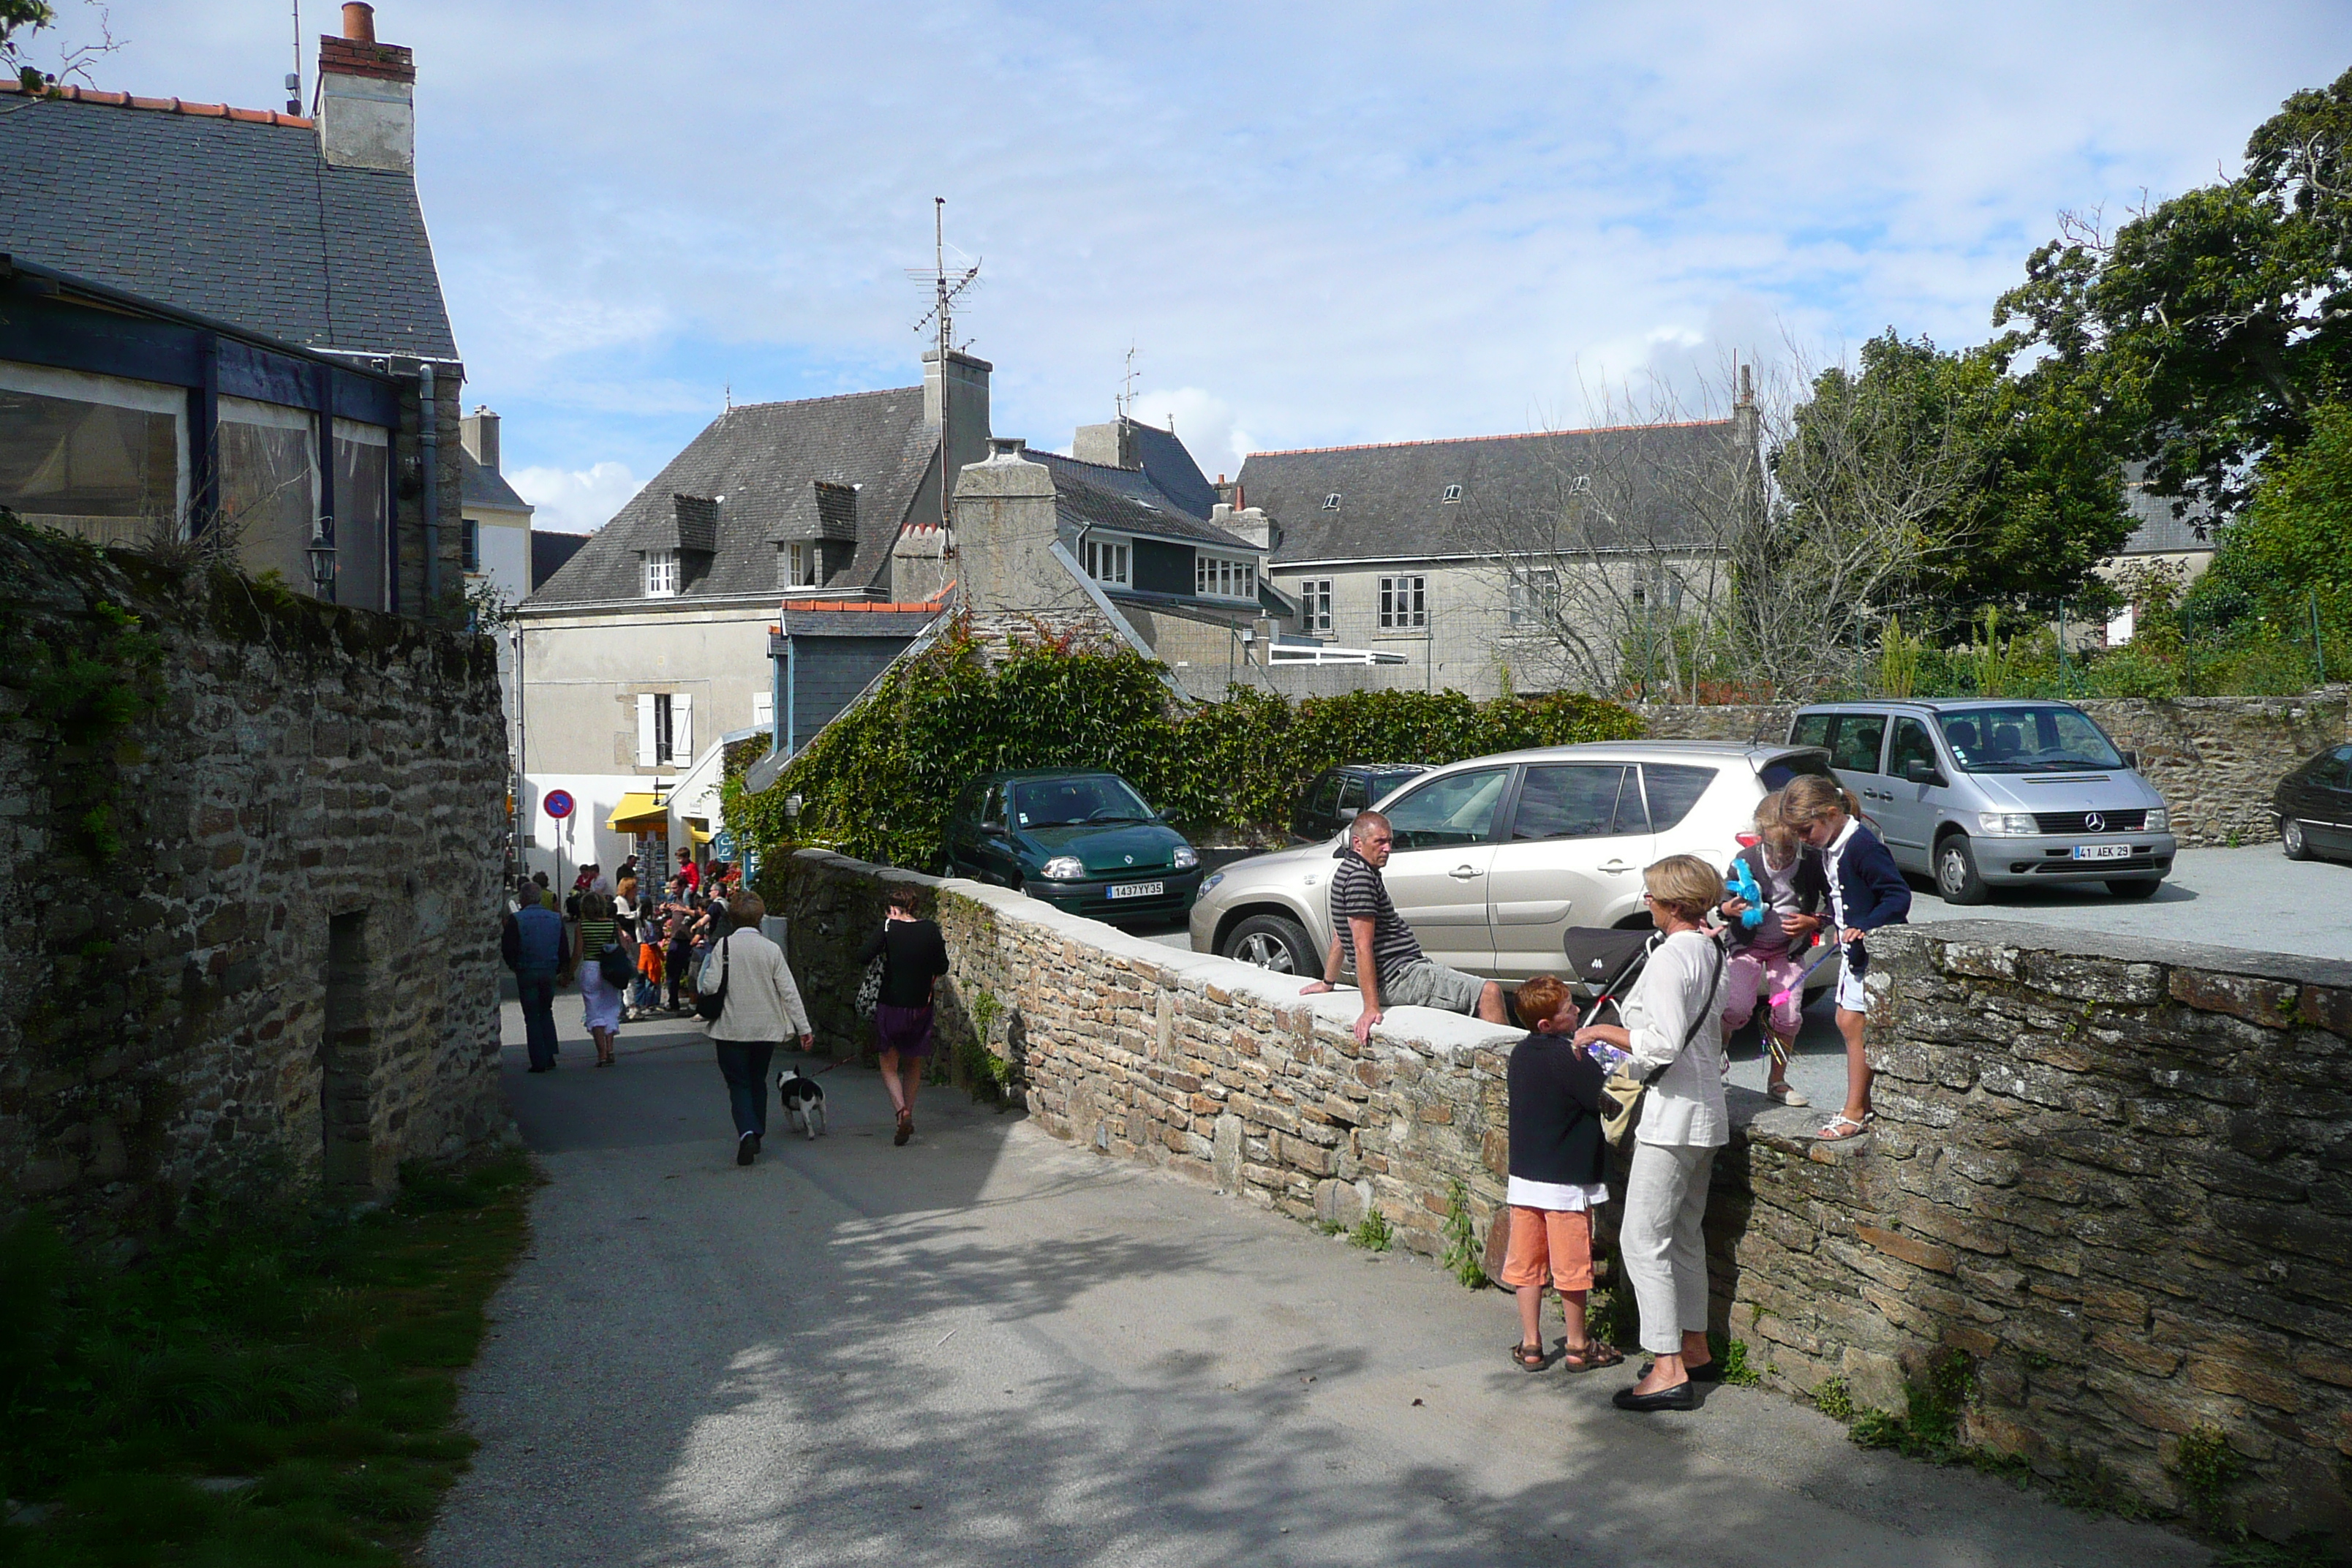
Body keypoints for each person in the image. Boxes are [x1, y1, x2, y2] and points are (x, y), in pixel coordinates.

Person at [1573, 854, 1729, 1412]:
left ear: (1672, 903)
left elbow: (1659, 1044)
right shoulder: (1713, 950)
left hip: (1673, 1115)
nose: (1647, 903)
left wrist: (1603, 1030)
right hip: (1708, 1111)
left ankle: (1666, 1366)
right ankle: (1694, 1346)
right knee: (1685, 1234)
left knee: (1642, 1239)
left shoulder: (1669, 958)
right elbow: (1728, 1019)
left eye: (1652, 895)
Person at [1779, 774, 1912, 1141]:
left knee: (1853, 1024)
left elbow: (1897, 897)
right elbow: (1841, 899)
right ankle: (1859, 1104)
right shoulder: (1833, 845)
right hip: (1854, 950)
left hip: (1870, 950)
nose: (1804, 840)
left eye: (1807, 830)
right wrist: (1819, 921)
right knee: (1846, 1020)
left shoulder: (1862, 847)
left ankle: (1856, 1110)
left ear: (1832, 813)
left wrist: (1865, 926)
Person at [1300, 810, 1507, 1043]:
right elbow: (1361, 946)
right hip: (1400, 977)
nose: (1388, 848)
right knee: (1489, 993)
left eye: (1389, 841)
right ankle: (1509, 1075)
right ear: (1358, 843)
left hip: (1402, 972)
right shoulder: (1361, 879)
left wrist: (1328, 982)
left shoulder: (1349, 870)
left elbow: (1340, 936)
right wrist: (1370, 1008)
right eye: (1380, 842)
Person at [1502, 973, 1621, 1373]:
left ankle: (1532, 1342)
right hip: (1567, 1181)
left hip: (1525, 1178)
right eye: (1569, 1009)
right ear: (1547, 1025)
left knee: (1527, 1262)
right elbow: (1601, 1095)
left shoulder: (1520, 1055)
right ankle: (1576, 1344)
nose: (1576, 1011)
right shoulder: (1571, 1057)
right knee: (1572, 1266)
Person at [1719, 796, 1828, 1107]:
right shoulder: (1747, 859)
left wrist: (1814, 921)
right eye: (1772, 849)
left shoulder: (1811, 861)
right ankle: (1719, 1051)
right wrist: (1730, 908)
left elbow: (1832, 902)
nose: (1779, 859)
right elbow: (1725, 899)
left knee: (1790, 1016)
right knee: (1736, 1009)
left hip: (1787, 951)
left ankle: (1777, 1080)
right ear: (1760, 836)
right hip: (1747, 947)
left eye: (1788, 850)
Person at [704, 889, 813, 1166]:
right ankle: (757, 1133)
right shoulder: (771, 949)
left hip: (730, 1029)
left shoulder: (723, 947)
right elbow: (789, 992)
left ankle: (747, 1132)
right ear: (760, 918)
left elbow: (709, 986)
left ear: (732, 918)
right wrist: (804, 1028)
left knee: (738, 1084)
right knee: (757, 1081)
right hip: (765, 1030)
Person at [858, 885, 951, 1146]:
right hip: (921, 1006)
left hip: (891, 1004)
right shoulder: (931, 929)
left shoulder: (888, 928)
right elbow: (942, 966)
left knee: (888, 1062)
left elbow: (863, 956)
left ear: (893, 909)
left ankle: (901, 1112)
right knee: (914, 1062)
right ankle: (910, 1109)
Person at [507, 889, 566, 1073]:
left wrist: (514, 965)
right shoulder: (555, 918)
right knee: (546, 1010)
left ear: (523, 900)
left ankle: (538, 1060)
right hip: (548, 969)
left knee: (532, 1016)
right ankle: (549, 1055)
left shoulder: (517, 919)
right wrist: (561, 970)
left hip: (527, 969)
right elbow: (563, 946)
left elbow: (508, 946)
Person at [573, 890, 624, 1068]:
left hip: (591, 967)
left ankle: (601, 1054)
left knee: (594, 1010)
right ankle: (610, 1049)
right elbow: (623, 947)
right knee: (610, 1007)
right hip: (609, 969)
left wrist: (569, 972)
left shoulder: (582, 926)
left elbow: (578, 951)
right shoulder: (612, 925)